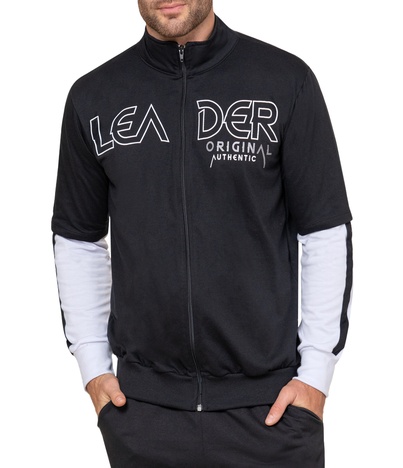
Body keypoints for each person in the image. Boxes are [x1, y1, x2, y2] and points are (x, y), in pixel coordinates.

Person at [52, 1, 353, 466]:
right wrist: (93, 369)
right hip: (143, 415)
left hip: (270, 414)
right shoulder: (95, 96)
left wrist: (315, 377)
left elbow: (325, 231)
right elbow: (78, 239)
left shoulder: (283, 81)